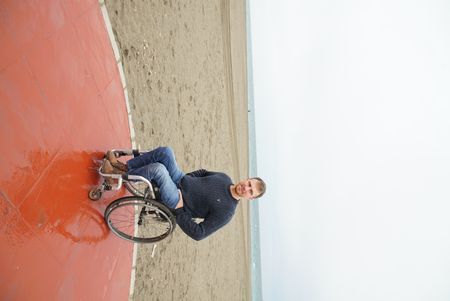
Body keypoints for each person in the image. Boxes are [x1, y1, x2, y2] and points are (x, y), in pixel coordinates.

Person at [102, 146, 266, 241]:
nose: (246, 188)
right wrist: (188, 178)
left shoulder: (227, 212)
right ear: (247, 178)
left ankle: (116, 179)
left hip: (177, 200)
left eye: (250, 191)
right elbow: (203, 172)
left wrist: (180, 210)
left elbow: (199, 233)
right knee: (166, 152)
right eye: (249, 183)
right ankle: (125, 168)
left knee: (158, 170)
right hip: (180, 180)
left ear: (250, 198)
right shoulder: (225, 178)